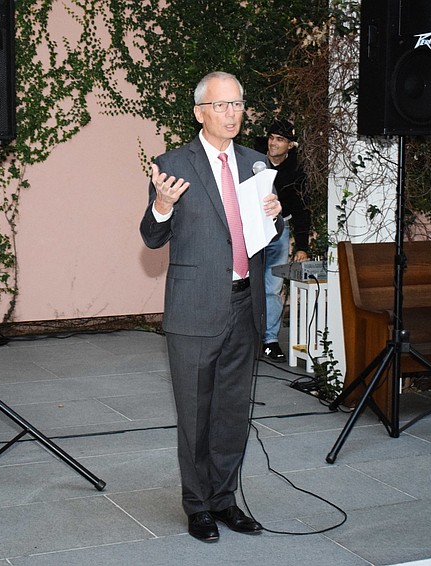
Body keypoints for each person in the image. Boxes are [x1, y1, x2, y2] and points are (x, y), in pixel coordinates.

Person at [140, 71, 283, 542]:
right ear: (201, 112)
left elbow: (262, 238)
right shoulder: (172, 164)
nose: (233, 114)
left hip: (245, 305)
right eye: (222, 106)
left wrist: (274, 219)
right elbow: (152, 236)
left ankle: (225, 499)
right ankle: (197, 505)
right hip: (195, 309)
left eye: (238, 104)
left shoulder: (259, 164)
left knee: (232, 411)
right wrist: (161, 204)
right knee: (196, 412)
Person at [261, 120, 311, 362]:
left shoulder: (297, 172)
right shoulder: (253, 162)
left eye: (280, 139)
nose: (273, 142)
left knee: (272, 287)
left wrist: (302, 246)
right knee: (243, 285)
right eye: (271, 137)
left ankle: (270, 340)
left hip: (279, 232)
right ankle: (244, 339)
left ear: (290, 145)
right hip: (250, 230)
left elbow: (302, 210)